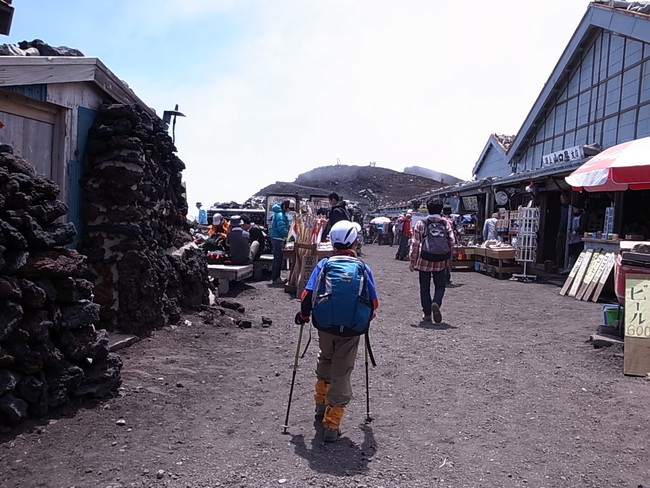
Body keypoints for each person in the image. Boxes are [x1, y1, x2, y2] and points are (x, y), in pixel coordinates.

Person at [294, 220, 379, 442]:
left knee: (326, 358)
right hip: (351, 329)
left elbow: (307, 295)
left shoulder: (324, 265)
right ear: (354, 242)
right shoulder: (362, 267)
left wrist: (303, 316)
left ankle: (320, 406)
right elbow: (373, 303)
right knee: (342, 370)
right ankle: (331, 425)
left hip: (325, 324)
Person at [409, 198, 455, 324]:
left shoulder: (421, 223)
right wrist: (449, 258)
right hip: (440, 261)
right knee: (440, 286)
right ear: (441, 209)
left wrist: (413, 261)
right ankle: (436, 303)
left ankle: (427, 314)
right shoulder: (446, 223)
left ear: (428, 208)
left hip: (424, 259)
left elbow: (415, 244)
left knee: (424, 287)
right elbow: (452, 242)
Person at [269, 200, 290, 283]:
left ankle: (277, 277)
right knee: (277, 259)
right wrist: (288, 235)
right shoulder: (280, 215)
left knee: (278, 258)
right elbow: (281, 228)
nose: (289, 210)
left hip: (277, 237)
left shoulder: (279, 213)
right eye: (288, 208)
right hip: (277, 238)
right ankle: (275, 278)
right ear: (285, 207)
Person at [565, 204, 587, 273]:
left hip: (579, 237)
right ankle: (569, 267)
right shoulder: (572, 216)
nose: (574, 210)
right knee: (571, 253)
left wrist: (575, 231)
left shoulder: (583, 216)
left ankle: (577, 269)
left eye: (575, 208)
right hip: (571, 238)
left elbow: (583, 225)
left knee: (578, 253)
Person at [441, 205, 457, 284]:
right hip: (449, 242)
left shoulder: (440, 219)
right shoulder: (452, 220)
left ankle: (441, 276)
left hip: (440, 241)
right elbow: (455, 231)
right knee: (448, 260)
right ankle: (447, 276)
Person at [555, 193, 570, 271]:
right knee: (558, 247)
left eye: (562, 198)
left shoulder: (569, 208)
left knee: (565, 248)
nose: (561, 200)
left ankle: (564, 264)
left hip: (566, 230)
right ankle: (559, 264)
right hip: (561, 229)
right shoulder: (561, 208)